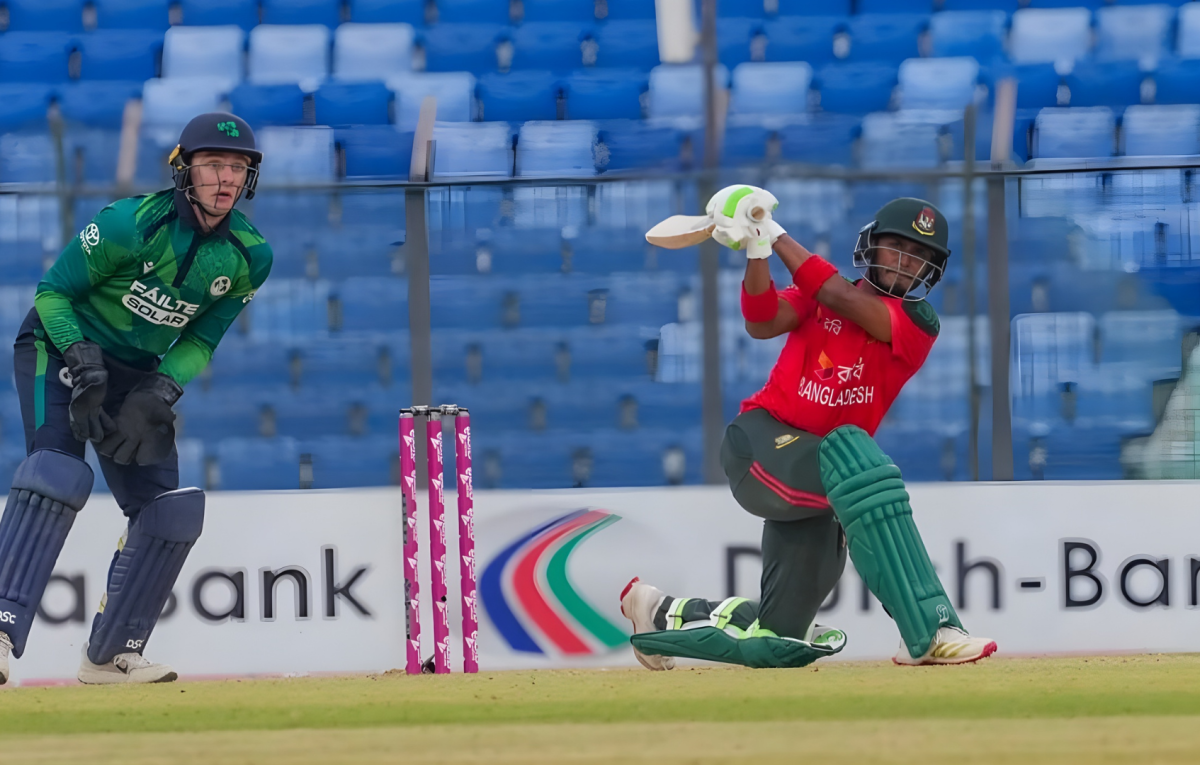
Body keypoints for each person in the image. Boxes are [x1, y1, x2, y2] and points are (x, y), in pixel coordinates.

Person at [621, 185, 997, 669]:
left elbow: (838, 295)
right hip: (760, 445)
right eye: (898, 247)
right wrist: (758, 249)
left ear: (931, 270)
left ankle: (659, 614)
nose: (906, 262)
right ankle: (930, 629)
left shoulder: (918, 322)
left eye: (920, 256)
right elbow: (761, 320)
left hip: (820, 474)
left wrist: (773, 233)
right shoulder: (815, 299)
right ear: (873, 245)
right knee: (853, 450)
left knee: (778, 641)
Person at [0, 112, 273, 685]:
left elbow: (200, 337)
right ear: (184, 170)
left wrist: (161, 388)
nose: (226, 179)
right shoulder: (130, 224)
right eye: (214, 166)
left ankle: (110, 654)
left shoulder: (250, 257)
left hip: (136, 370)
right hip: (57, 344)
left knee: (168, 510)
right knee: (56, 471)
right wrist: (78, 355)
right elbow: (53, 292)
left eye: (237, 168)